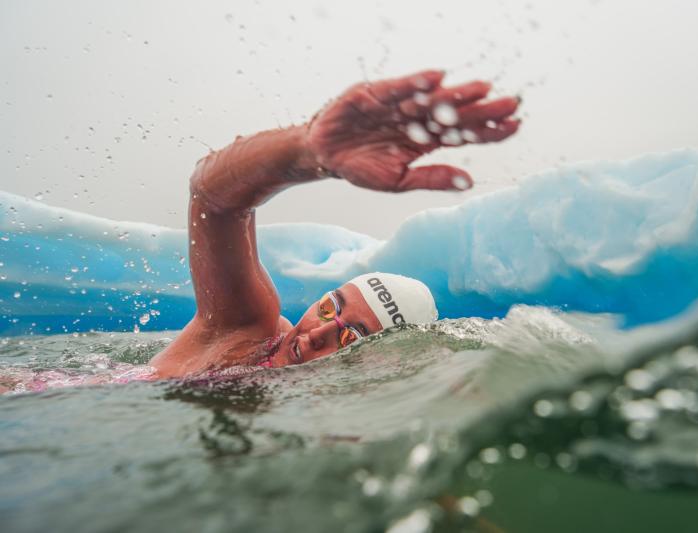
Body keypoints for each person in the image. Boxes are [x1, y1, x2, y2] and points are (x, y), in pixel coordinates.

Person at [148, 69, 521, 378]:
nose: (316, 336)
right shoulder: (245, 332)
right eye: (329, 309)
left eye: (350, 339)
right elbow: (214, 199)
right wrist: (307, 151)